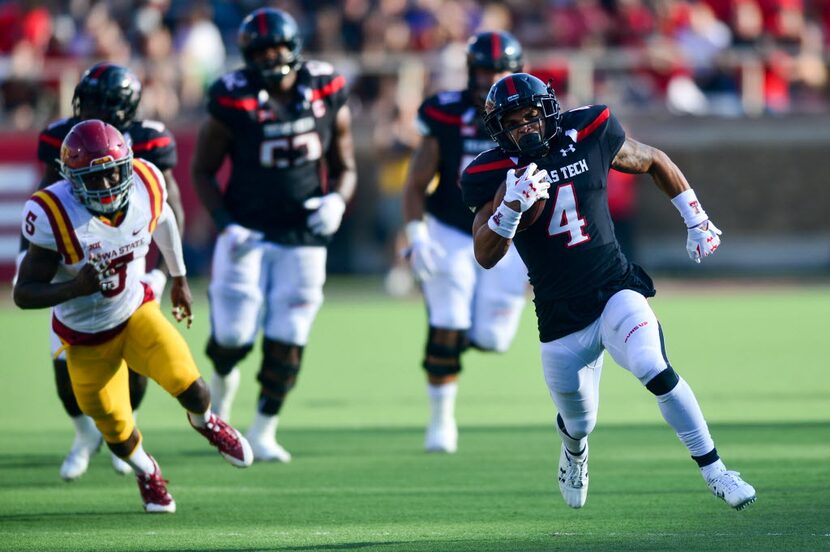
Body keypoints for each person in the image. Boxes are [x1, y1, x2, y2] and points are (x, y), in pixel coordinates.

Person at [461, 73, 756, 510]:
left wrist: (696, 218)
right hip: (560, 318)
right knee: (580, 421)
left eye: (530, 116)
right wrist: (509, 209)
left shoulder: (589, 132)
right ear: (498, 129)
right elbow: (485, 255)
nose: (525, 127)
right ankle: (574, 451)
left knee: (652, 366)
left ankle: (716, 471)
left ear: (548, 111)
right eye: (513, 122)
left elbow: (652, 159)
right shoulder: (493, 174)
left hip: (614, 289)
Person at [14, 120, 252, 513]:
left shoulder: (145, 180)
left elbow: (166, 221)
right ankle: (147, 472)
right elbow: (23, 294)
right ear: (73, 179)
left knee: (194, 388)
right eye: (95, 176)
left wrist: (179, 278)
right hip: (85, 337)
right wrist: (76, 287)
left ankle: (206, 421)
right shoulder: (53, 212)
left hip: (134, 312)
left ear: (127, 163)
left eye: (113, 172)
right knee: (119, 434)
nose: (108, 185)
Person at [191, 7, 356, 462]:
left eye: (278, 46)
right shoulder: (231, 97)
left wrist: (338, 200)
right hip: (247, 232)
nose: (272, 56)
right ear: (246, 55)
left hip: (302, 235)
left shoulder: (325, 87)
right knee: (232, 338)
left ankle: (264, 430)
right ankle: (222, 396)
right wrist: (227, 225)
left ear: (294, 47)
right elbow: (202, 170)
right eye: (261, 50)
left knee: (290, 335)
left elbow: (346, 166)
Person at [19, 62, 185, 481]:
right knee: (66, 372)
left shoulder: (147, 138)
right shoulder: (63, 136)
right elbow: (45, 191)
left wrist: (164, 272)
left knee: (138, 366)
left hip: (129, 267)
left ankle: (123, 434)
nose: (89, 109)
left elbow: (170, 207)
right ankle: (84, 435)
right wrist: (35, 256)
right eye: (86, 101)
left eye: (100, 104)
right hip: (71, 264)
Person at [402, 31, 528, 453]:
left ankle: (463, 330)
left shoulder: (530, 115)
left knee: (492, 338)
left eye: (499, 70)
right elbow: (417, 181)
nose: (490, 77)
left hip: (508, 232)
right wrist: (416, 234)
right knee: (447, 321)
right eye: (484, 70)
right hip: (451, 228)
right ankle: (441, 422)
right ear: (471, 71)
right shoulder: (447, 112)